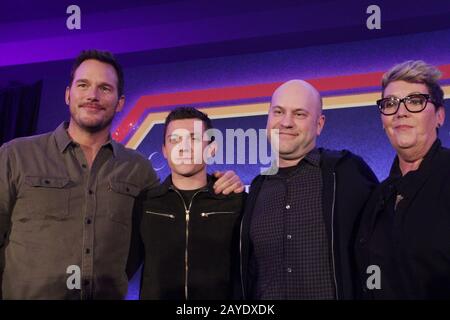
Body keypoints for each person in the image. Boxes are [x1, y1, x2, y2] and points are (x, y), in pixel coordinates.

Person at [0, 49, 243, 300]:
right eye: (83, 85)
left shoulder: (138, 169)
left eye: (105, 88)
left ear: (120, 103)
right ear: (67, 94)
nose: (93, 95)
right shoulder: (16, 156)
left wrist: (220, 180)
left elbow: (173, 211)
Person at [240, 80, 378, 300]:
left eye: (299, 114)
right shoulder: (256, 189)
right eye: (278, 112)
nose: (286, 122)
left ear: (319, 124)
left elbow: (381, 249)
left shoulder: (346, 172)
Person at [127, 107, 245, 300]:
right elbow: (122, 267)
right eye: (174, 140)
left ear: (211, 148)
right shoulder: (145, 203)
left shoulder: (235, 201)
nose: (184, 147)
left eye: (194, 138)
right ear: (164, 150)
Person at [355, 60, 450, 299]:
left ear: (440, 115)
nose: (401, 111)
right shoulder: (378, 196)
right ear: (382, 120)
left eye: (415, 101)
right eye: (390, 104)